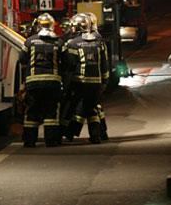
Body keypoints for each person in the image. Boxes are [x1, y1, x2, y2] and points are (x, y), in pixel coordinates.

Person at [60, 14, 108, 144]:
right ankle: (96, 135)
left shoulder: (74, 43)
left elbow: (70, 64)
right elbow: (104, 63)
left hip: (80, 82)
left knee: (73, 106)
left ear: (77, 28)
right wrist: (105, 81)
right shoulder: (99, 42)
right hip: (96, 82)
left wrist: (66, 81)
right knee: (92, 108)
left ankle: (68, 132)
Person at [18, 13, 64, 147]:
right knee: (51, 112)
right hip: (53, 83)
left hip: (33, 83)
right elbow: (68, 61)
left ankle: (29, 141)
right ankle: (51, 141)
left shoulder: (30, 41)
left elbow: (22, 59)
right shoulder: (59, 42)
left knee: (32, 111)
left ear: (38, 25)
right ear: (52, 25)